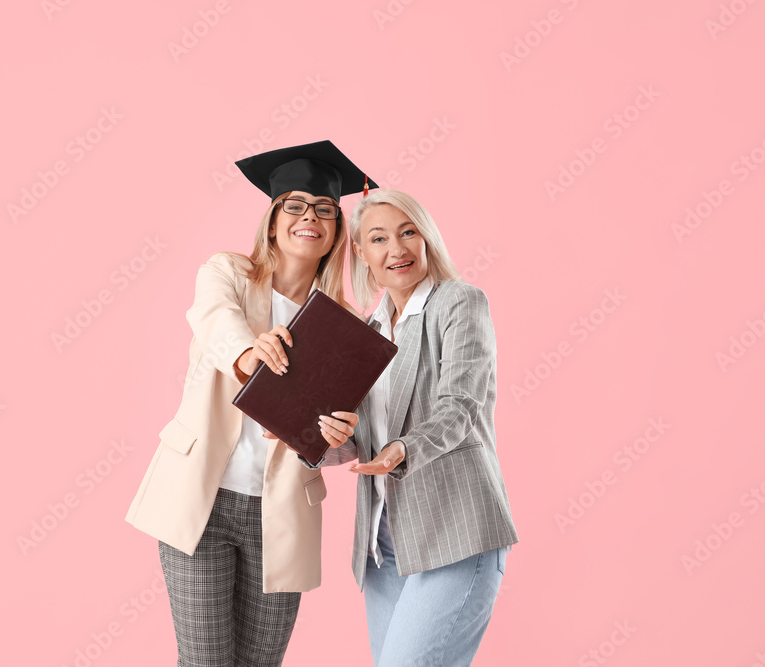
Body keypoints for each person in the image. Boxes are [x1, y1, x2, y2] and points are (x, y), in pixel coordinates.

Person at [126, 140, 375, 667]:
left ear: (335, 232)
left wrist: (335, 438)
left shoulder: (345, 327)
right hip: (202, 500)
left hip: (280, 514)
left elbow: (346, 440)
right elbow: (214, 319)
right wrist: (248, 350)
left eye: (325, 209)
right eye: (296, 205)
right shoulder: (229, 275)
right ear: (272, 219)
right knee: (207, 662)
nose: (311, 216)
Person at [325, 189, 519, 666]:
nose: (397, 249)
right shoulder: (367, 332)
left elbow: (462, 406)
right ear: (361, 253)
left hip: (454, 530)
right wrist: (306, 435)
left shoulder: (459, 303)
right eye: (379, 238)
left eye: (408, 232)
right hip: (384, 544)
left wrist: (403, 449)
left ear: (427, 237)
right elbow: (356, 440)